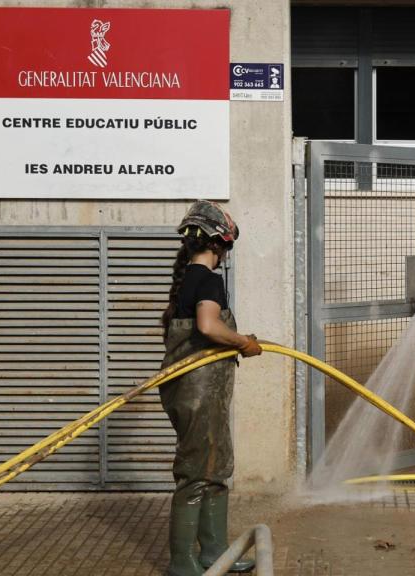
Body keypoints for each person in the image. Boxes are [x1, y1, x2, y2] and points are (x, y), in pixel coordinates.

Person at [160, 200, 263, 575]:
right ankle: (183, 562)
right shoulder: (208, 280)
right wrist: (243, 343)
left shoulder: (186, 278)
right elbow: (208, 326)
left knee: (214, 469)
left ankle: (215, 553)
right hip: (199, 394)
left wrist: (237, 339)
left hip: (193, 393)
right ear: (219, 245)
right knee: (197, 473)